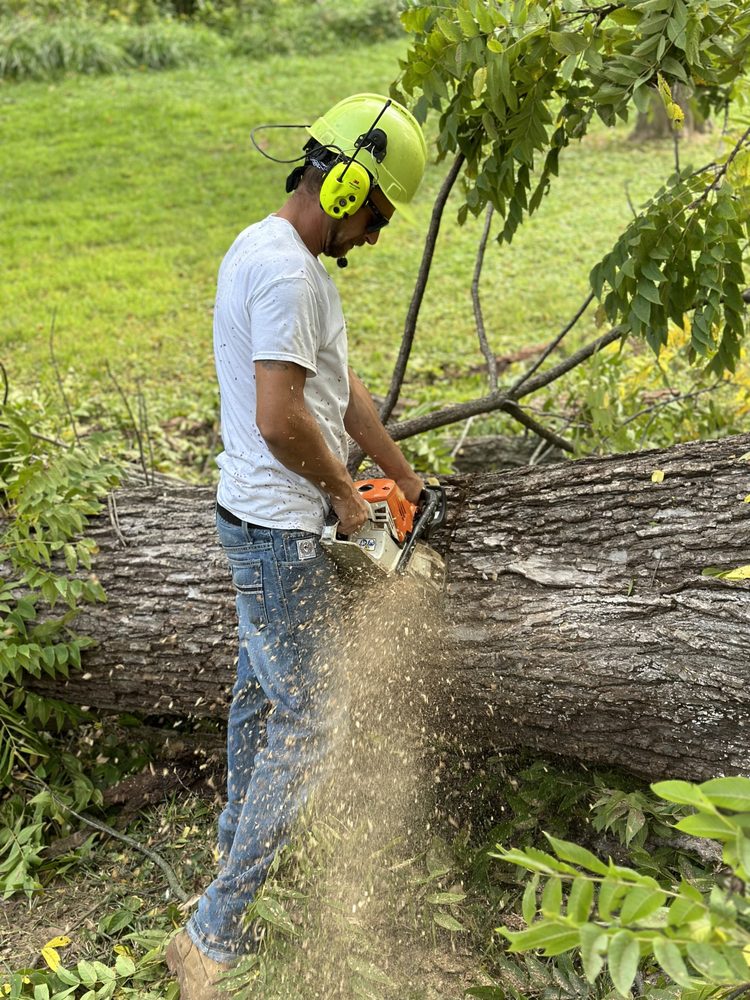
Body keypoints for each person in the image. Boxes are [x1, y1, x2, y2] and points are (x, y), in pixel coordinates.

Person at [166, 93, 428, 998]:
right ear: (345, 184)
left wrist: (403, 477)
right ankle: (213, 933)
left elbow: (340, 391)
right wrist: (349, 502)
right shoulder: (287, 275)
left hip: (253, 519)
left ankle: (231, 844)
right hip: (281, 532)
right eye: (376, 215)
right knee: (311, 720)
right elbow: (281, 420)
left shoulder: (270, 252)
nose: (376, 234)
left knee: (259, 696)